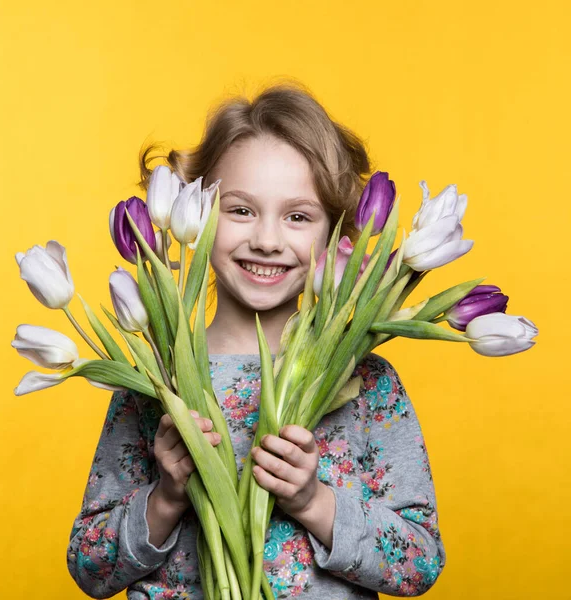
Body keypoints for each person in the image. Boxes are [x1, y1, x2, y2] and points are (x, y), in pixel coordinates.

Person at [67, 81, 446, 599]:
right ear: (195, 216)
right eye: (241, 209)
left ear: (338, 235)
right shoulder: (157, 378)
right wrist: (166, 498)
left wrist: (314, 502)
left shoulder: (364, 382)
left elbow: (419, 563)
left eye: (298, 216)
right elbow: (89, 568)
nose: (267, 240)